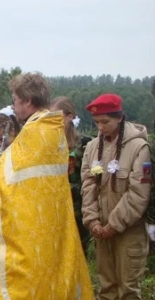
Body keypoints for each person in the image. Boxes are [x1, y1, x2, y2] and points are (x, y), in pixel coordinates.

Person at [0, 72, 93, 299]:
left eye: (15, 99)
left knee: (22, 282)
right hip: (49, 222)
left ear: (27, 100)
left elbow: (13, 175)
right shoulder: (51, 128)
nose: (13, 106)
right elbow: (24, 170)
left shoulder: (35, 131)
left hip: (29, 228)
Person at [81, 93, 151, 299]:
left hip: (129, 232)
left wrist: (113, 225)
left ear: (119, 118)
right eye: (96, 123)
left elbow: (139, 193)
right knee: (106, 289)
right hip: (100, 231)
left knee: (128, 289)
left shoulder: (139, 147)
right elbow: (88, 186)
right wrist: (93, 221)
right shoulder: (93, 147)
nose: (100, 128)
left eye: (105, 122)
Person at [50, 96, 92, 257]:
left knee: (78, 256)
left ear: (70, 116)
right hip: (54, 211)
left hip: (77, 211)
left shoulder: (84, 144)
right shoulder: (49, 145)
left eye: (58, 117)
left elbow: (89, 179)